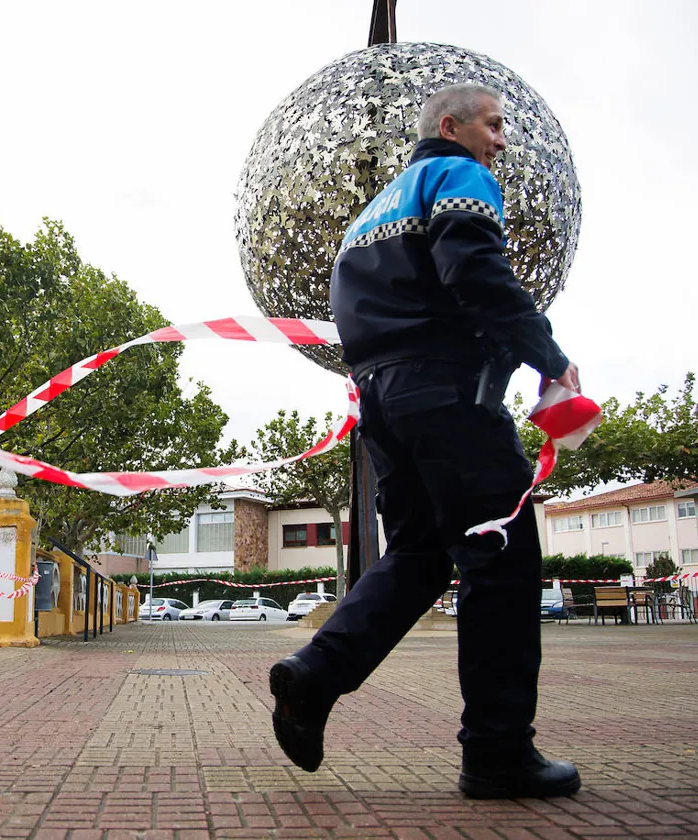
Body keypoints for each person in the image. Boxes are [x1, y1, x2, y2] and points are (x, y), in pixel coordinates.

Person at [269, 83, 582, 799]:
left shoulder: (369, 216)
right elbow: (474, 268)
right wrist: (547, 356)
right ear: (451, 125)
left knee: (417, 555)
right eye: (493, 125)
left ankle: (313, 676)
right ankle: (498, 754)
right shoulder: (459, 175)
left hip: (381, 400)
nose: (502, 141)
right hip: (449, 393)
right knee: (499, 562)